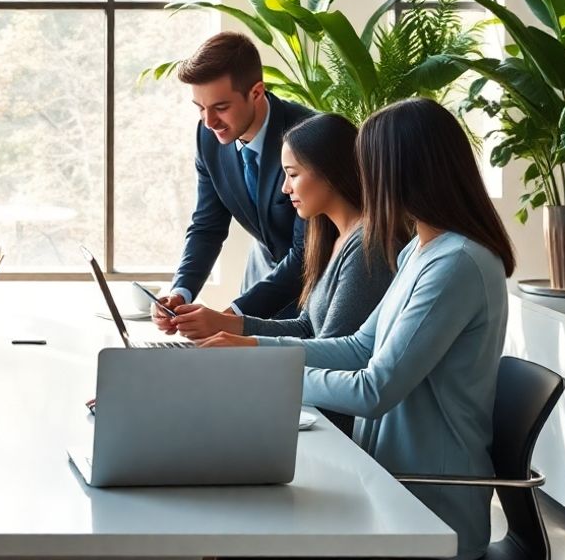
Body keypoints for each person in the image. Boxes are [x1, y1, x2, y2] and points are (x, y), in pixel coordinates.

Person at [202, 98, 513, 560]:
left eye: (370, 166)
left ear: (401, 172)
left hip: (426, 507)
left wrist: (268, 373)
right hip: (384, 484)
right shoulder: (420, 254)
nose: (362, 180)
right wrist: (253, 349)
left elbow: (374, 389)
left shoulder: (457, 265)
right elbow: (358, 346)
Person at [192, 113, 396, 435]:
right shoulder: (331, 237)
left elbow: (333, 352)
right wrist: (230, 325)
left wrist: (250, 353)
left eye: (293, 174)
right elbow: (307, 328)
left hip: (328, 425)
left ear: (330, 173)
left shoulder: (367, 247)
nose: (285, 188)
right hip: (307, 406)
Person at [152, 31, 314, 339]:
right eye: (199, 108)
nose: (209, 121)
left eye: (220, 107)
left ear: (256, 92)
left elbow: (305, 252)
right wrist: (181, 293)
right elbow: (207, 226)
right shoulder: (207, 138)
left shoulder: (307, 135)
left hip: (314, 298)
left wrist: (229, 318)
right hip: (260, 282)